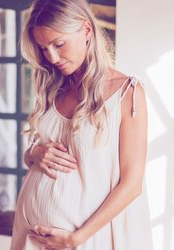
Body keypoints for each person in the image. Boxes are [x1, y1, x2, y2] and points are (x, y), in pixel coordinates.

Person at [10, 0, 153, 249]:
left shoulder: (127, 93)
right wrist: (33, 154)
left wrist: (76, 238)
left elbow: (132, 185)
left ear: (86, 30)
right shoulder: (53, 88)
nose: (51, 57)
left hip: (84, 240)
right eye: (43, 48)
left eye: (59, 44)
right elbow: (38, 155)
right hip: (31, 238)